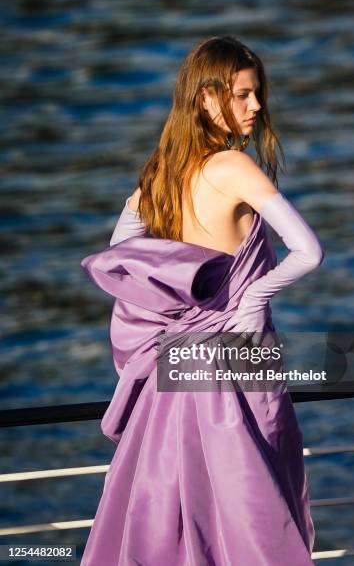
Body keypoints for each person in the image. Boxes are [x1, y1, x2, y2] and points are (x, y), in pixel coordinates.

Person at [80, 35, 324, 565]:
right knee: (256, 501)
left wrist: (181, 305)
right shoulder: (234, 167)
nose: (256, 106)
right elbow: (308, 251)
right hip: (241, 360)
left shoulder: (158, 178)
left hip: (179, 365)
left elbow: (121, 258)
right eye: (242, 95)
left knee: (184, 512)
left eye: (256, 93)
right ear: (206, 99)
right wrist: (256, 297)